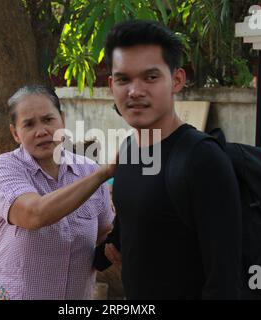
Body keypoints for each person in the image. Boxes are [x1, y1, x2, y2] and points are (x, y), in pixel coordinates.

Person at [97, 20, 242, 299]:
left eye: (150, 77)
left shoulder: (202, 159)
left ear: (176, 80)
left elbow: (223, 279)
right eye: (124, 79)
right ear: (112, 84)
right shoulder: (128, 150)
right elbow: (134, 228)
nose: (135, 91)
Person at [0, 85, 114, 300]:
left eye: (48, 119)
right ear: (15, 133)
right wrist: (105, 173)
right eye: (29, 124)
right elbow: (35, 214)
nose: (41, 131)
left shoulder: (88, 170)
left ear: (62, 120)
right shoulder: (3, 169)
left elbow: (103, 232)